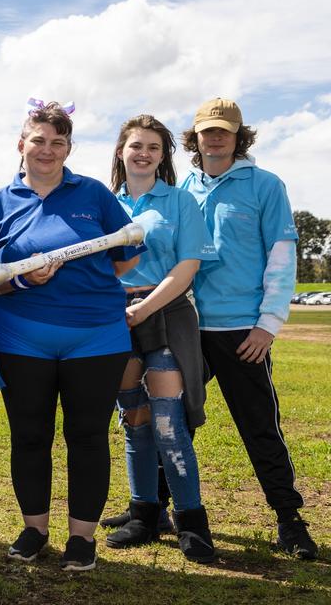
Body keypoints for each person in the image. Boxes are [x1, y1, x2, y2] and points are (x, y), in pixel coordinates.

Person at [0, 100, 142, 572]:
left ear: (69, 147)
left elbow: (126, 256)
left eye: (58, 142)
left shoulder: (93, 194)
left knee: (87, 435)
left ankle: (82, 538)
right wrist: (22, 281)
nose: (47, 150)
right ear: (21, 144)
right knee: (29, 435)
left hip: (96, 337)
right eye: (39, 140)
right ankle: (34, 529)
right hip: (20, 338)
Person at [180, 97, 318, 560]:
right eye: (207, 131)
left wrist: (268, 325)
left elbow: (281, 257)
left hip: (243, 332)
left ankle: (289, 519)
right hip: (187, 327)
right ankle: (157, 508)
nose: (215, 138)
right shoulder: (181, 187)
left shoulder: (265, 185)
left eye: (224, 130)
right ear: (195, 137)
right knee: (173, 423)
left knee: (260, 428)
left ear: (240, 136)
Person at [104, 114, 217, 562]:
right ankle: (145, 515)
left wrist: (143, 309)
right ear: (121, 151)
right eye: (136, 145)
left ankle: (193, 521)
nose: (144, 154)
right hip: (116, 318)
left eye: (154, 147)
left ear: (163, 156)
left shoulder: (179, 202)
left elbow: (188, 265)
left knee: (170, 423)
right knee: (136, 421)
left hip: (165, 313)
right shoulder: (103, 203)